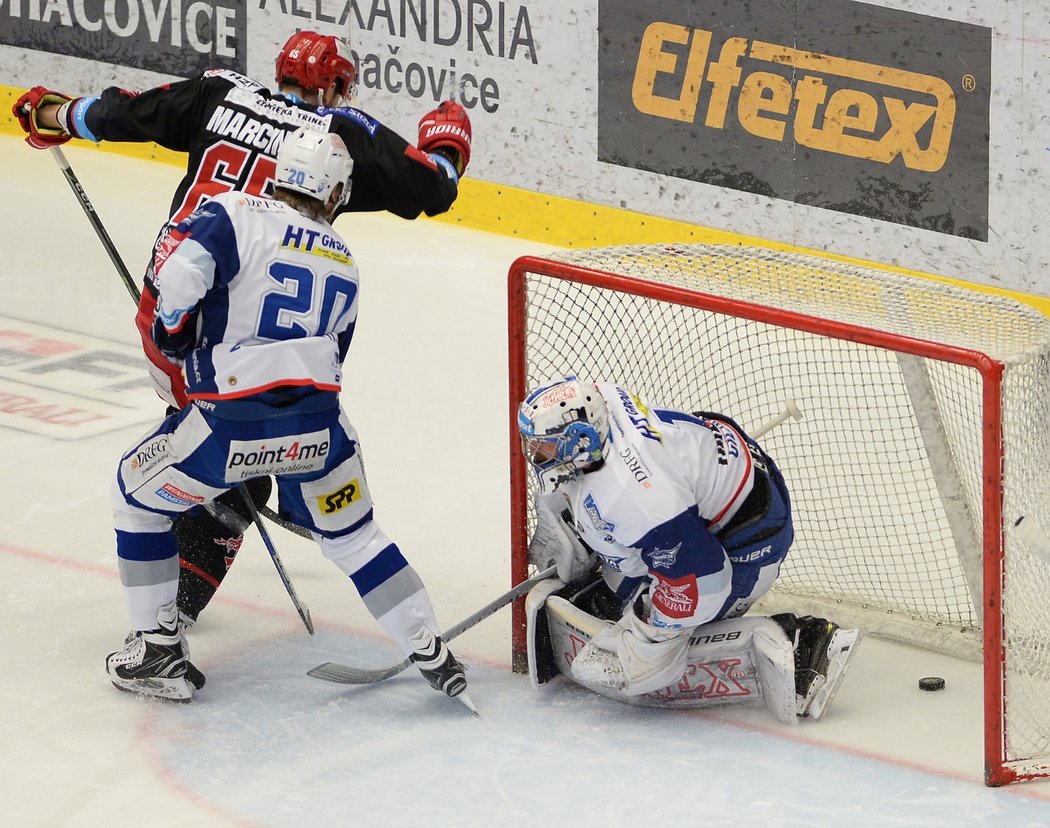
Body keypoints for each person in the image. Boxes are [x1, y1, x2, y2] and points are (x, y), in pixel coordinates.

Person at [12, 31, 472, 626]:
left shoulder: (218, 93)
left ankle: (190, 528)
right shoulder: (343, 137)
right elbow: (434, 188)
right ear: (333, 86)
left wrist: (58, 114)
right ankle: (178, 600)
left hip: (164, 318)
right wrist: (447, 146)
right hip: (248, 346)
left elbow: (123, 112)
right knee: (240, 454)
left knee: (205, 435)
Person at [105, 125, 471, 709]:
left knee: (136, 498)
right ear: (334, 193)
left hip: (225, 430)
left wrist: (176, 338)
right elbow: (337, 351)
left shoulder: (232, 213)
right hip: (322, 433)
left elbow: (176, 281)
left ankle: (157, 649)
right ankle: (430, 647)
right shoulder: (343, 258)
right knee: (356, 537)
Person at [517, 377, 859, 720]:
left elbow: (701, 582)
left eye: (542, 447)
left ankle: (805, 639)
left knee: (680, 614)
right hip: (719, 474)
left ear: (580, 440)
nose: (533, 454)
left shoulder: (637, 497)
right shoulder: (599, 402)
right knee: (633, 561)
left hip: (751, 538)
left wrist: (649, 644)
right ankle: (623, 578)